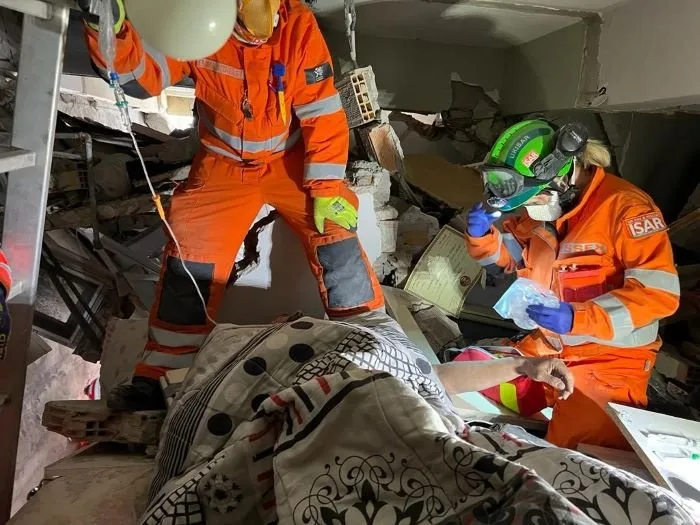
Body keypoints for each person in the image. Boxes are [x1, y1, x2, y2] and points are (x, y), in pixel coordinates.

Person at [80, 0, 384, 410]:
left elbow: (321, 108)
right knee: (191, 260)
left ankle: (376, 350)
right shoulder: (195, 16)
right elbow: (140, 78)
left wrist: (326, 185)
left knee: (337, 240)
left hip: (288, 161)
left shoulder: (298, 24)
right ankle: (160, 377)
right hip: (223, 164)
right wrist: (107, 23)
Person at [139, 313, 698, 524]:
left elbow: (438, 378)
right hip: (344, 388)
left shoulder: (392, 341)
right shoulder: (339, 337)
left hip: (393, 392)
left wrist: (526, 363)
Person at [465, 119, 680, 450]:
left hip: (609, 363)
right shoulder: (546, 213)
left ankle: (561, 410)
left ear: (560, 177)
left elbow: (659, 295)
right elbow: (513, 261)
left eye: (533, 199)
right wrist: (482, 238)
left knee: (574, 456)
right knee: (467, 367)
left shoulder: (626, 210)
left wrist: (579, 318)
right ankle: (540, 398)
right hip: (551, 347)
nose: (529, 207)